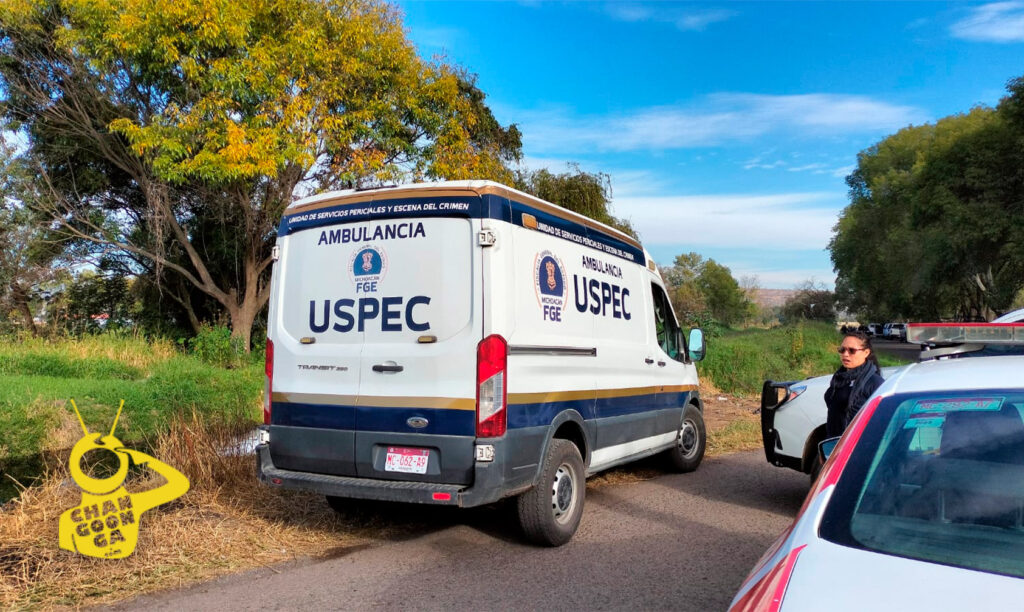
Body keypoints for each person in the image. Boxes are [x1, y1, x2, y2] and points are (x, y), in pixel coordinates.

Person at [824, 331, 885, 438]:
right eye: (842, 350)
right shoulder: (839, 378)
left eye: (852, 350)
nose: (845, 354)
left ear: (866, 352)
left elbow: (882, 421)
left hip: (857, 443)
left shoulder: (875, 383)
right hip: (834, 441)